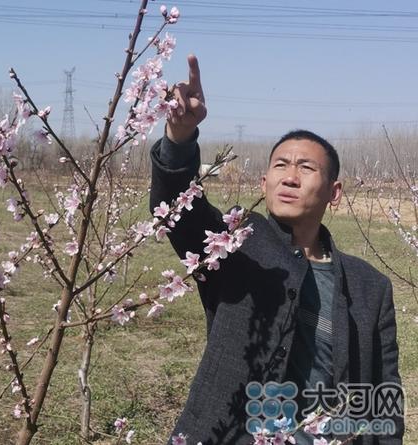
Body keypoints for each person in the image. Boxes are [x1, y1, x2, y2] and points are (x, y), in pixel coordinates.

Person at [149, 55, 404, 445]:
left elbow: (385, 393)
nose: (290, 176)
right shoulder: (236, 243)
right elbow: (177, 210)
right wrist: (178, 138)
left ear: (334, 192)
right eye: (281, 165)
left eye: (306, 167)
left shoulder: (371, 287)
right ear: (264, 182)